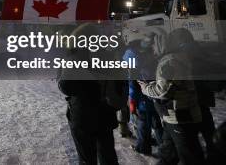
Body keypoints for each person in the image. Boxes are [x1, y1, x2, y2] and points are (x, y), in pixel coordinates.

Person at [139, 28, 204, 165]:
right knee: (168, 153)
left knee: (190, 156)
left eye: (153, 45)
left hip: (180, 117)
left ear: (160, 44)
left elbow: (164, 91)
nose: (152, 49)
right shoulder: (174, 57)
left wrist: (145, 88)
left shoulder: (169, 61)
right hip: (173, 117)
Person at [58, 23, 119, 165]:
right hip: (106, 113)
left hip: (83, 116)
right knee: (107, 154)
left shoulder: (74, 58)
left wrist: (62, 71)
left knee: (87, 158)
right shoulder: (108, 55)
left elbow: (66, 88)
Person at [123, 40, 163, 155]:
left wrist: (132, 102)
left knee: (143, 125)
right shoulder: (151, 60)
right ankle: (162, 146)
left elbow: (133, 86)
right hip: (154, 98)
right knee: (157, 123)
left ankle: (143, 148)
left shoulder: (133, 68)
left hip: (142, 101)